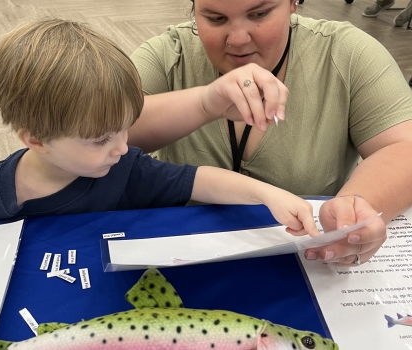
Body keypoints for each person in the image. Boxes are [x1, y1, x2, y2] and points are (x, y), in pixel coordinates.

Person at [0, 18, 320, 238]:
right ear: (35, 139)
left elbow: (199, 180)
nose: (123, 146)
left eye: (124, 128)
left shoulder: (124, 170)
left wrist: (269, 195)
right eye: (101, 139)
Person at [127, 0, 412, 267]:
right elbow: (97, 132)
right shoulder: (169, 54)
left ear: (292, 3)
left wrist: (354, 207)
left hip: (307, 263)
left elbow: (403, 147)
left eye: (259, 14)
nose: (238, 39)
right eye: (216, 18)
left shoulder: (346, 53)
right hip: (183, 255)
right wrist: (202, 104)